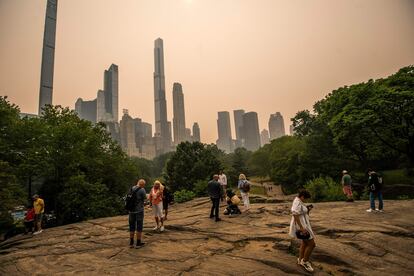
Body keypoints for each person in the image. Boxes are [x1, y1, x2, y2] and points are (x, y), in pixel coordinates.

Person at [289, 189, 316, 273]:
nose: (306, 200)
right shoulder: (297, 202)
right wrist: (301, 227)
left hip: (304, 224)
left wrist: (307, 210)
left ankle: (300, 259)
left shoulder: (299, 201)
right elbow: (295, 214)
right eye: (306, 198)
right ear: (302, 196)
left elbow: (301, 213)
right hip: (302, 226)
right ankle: (305, 262)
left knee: (304, 243)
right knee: (312, 244)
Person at [128, 179, 147, 248]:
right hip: (139, 211)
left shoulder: (131, 188)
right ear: (142, 184)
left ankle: (131, 243)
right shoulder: (142, 189)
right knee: (139, 226)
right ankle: (138, 243)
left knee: (131, 227)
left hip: (131, 211)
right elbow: (145, 199)